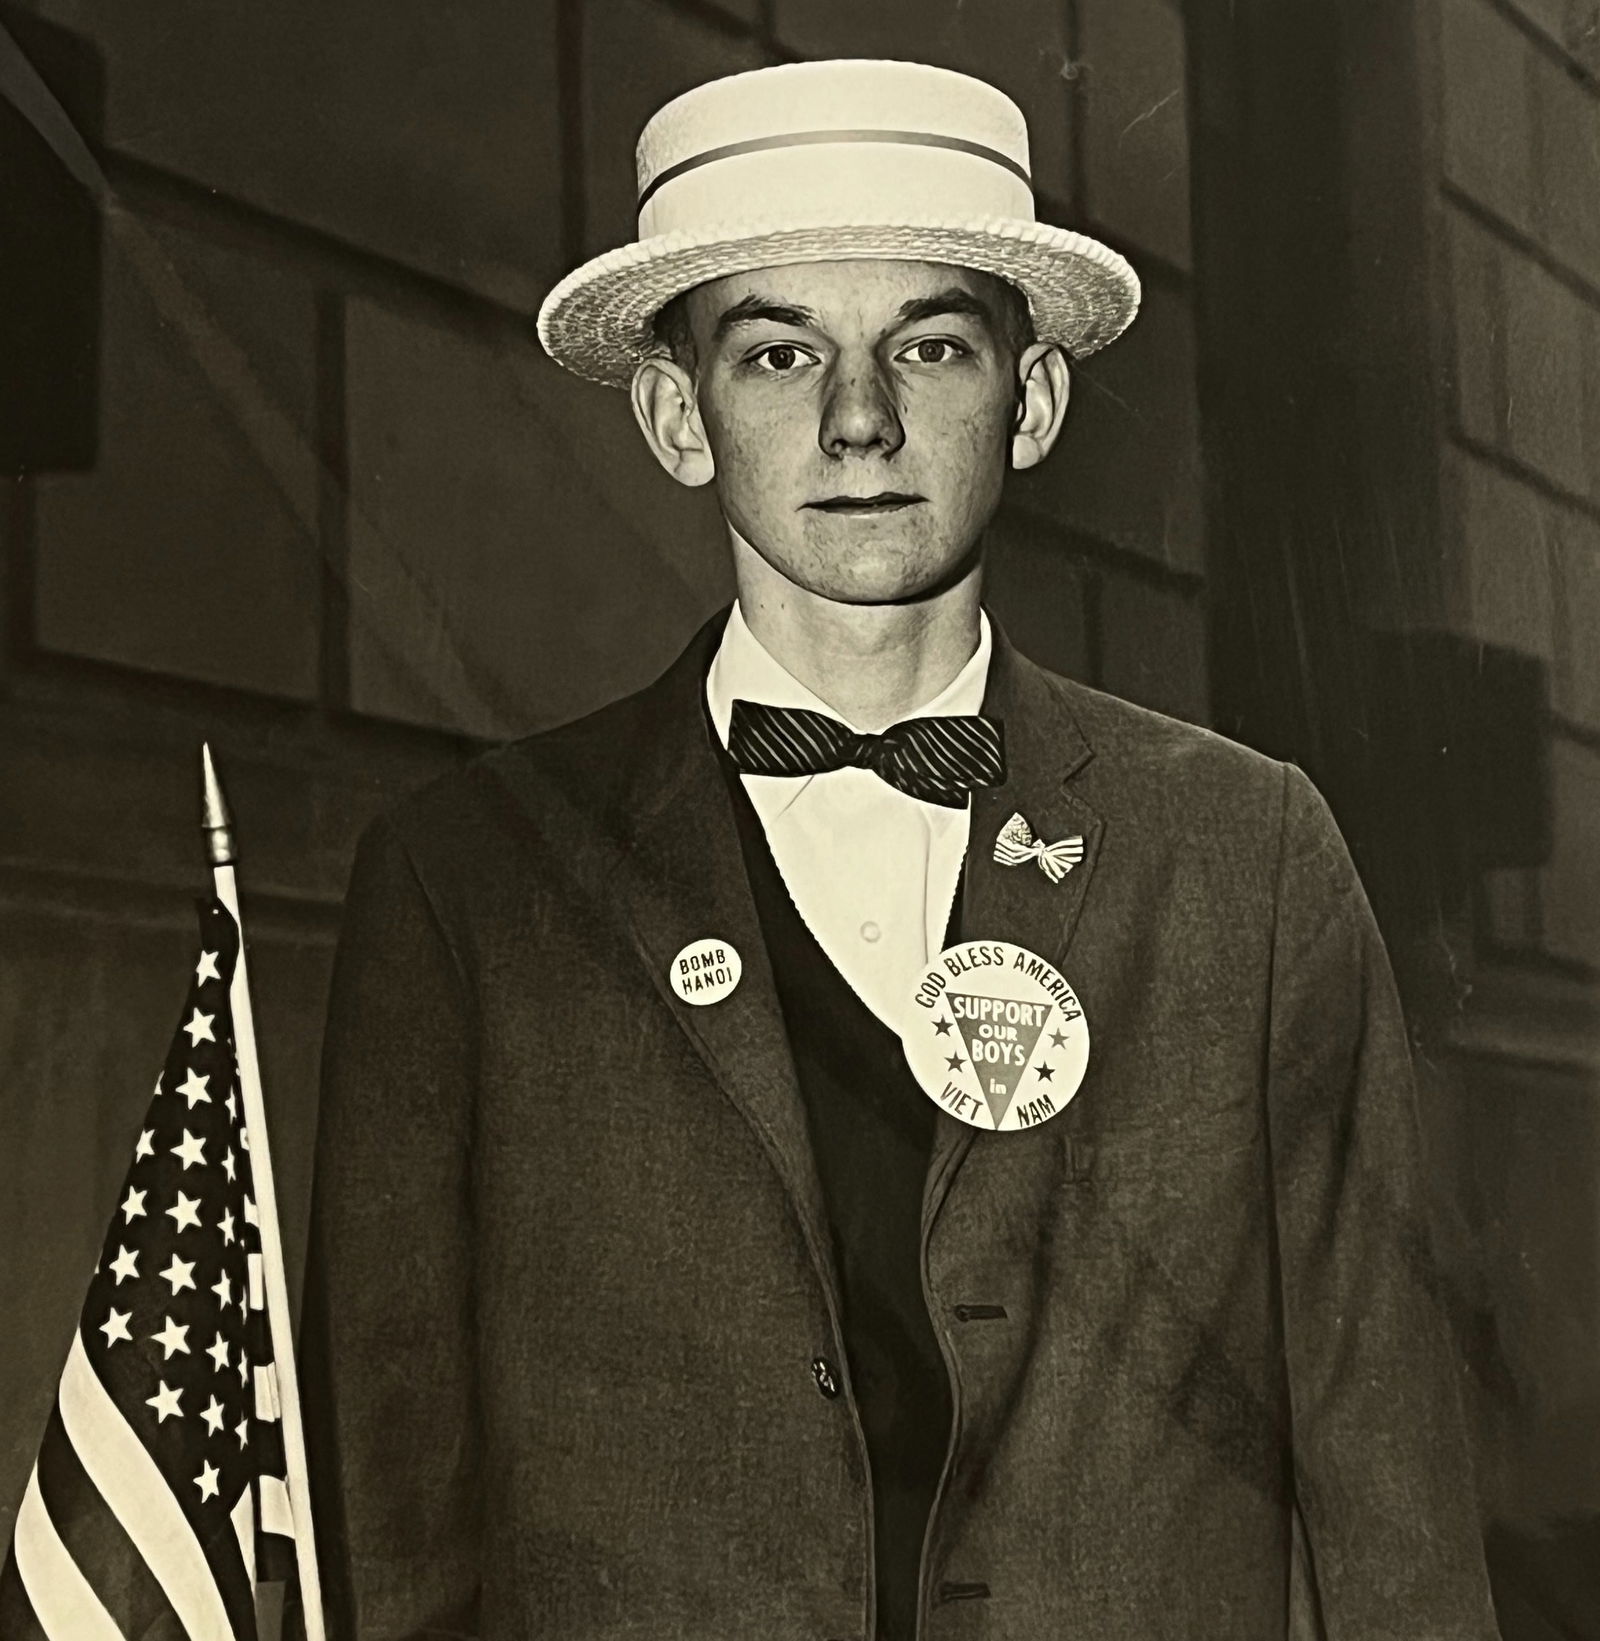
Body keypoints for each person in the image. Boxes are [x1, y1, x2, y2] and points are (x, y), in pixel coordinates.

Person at [301, 58, 1500, 1640]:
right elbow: (389, 1533)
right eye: (779, 351)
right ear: (674, 412)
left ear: (1035, 394)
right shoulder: (470, 886)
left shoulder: (1246, 860)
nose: (858, 419)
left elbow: (1392, 1509)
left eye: (929, 344)